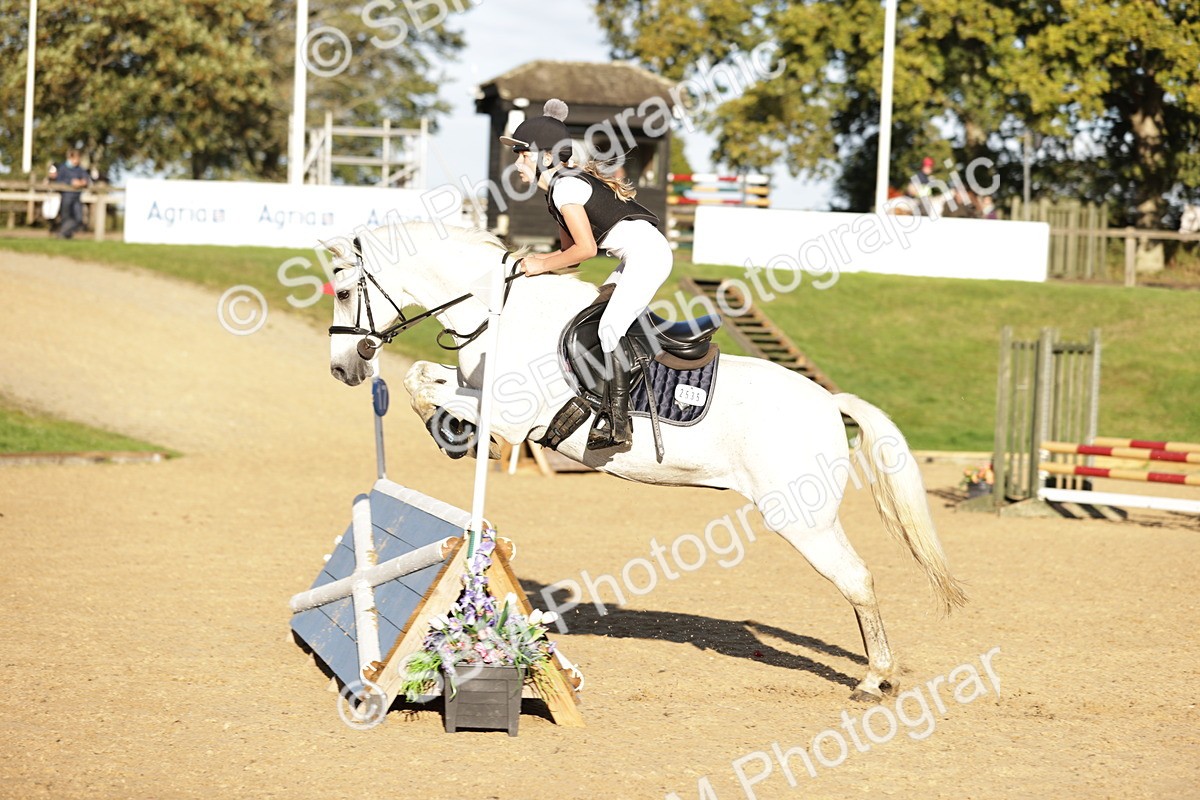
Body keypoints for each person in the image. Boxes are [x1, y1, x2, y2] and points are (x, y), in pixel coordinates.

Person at [502, 99, 671, 452]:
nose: (517, 163)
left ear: (547, 157)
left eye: (523, 155)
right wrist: (529, 263)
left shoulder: (565, 188)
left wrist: (540, 264)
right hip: (636, 257)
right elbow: (570, 257)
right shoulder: (557, 191)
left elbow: (585, 250)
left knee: (609, 329)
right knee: (590, 319)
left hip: (648, 257)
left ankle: (618, 424)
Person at [54, 149, 91, 238]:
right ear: (70, 158)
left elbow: (86, 178)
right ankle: (65, 235)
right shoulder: (63, 168)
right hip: (66, 196)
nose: (77, 160)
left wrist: (83, 182)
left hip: (77, 197)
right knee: (66, 217)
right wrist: (71, 182)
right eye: (76, 158)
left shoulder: (80, 169)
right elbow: (58, 181)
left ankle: (62, 233)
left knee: (78, 218)